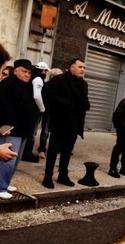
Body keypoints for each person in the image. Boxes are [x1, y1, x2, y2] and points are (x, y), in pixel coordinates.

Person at [41, 58, 90, 189]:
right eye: (80, 67)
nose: (82, 70)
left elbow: (84, 100)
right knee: (53, 151)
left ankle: (63, 175)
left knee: (67, 152)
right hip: (59, 123)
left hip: (74, 125)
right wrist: (65, 104)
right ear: (71, 67)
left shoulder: (83, 84)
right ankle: (47, 177)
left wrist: (85, 105)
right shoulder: (59, 80)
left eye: (84, 67)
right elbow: (46, 94)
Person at [0, 59, 35, 199]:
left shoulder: (26, 86)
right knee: (7, 159)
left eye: (29, 72)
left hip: (24, 129)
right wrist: (4, 127)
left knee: (16, 160)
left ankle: (5, 183)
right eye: (24, 71)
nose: (27, 75)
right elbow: (2, 107)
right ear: (15, 71)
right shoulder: (7, 84)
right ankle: (1, 187)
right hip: (11, 129)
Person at [21, 61, 49, 163]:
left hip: (27, 108)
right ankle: (27, 154)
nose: (46, 73)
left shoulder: (31, 76)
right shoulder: (38, 79)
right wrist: (42, 108)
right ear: (42, 70)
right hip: (33, 109)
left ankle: (24, 152)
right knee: (31, 132)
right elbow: (37, 96)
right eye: (45, 70)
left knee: (28, 130)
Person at [37, 68, 63, 159]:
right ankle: (42, 150)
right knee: (46, 131)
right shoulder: (48, 86)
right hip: (49, 112)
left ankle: (44, 149)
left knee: (48, 131)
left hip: (52, 112)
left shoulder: (48, 85)